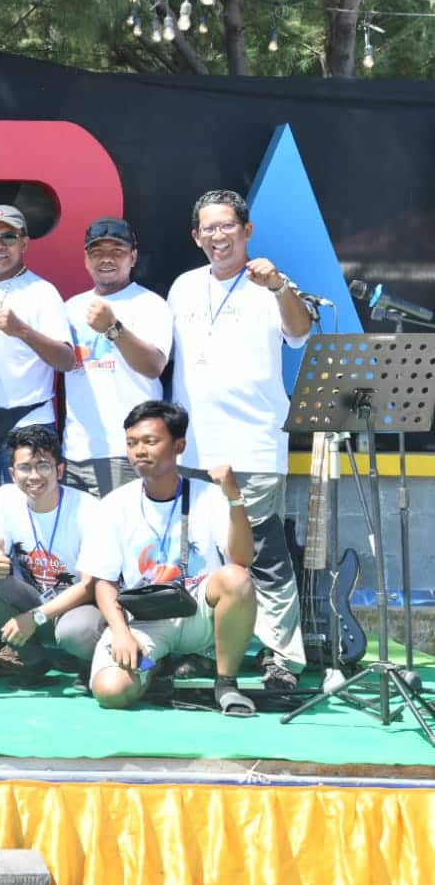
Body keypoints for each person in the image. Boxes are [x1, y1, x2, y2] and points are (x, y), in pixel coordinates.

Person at [167, 188, 311, 690]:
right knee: (205, 555)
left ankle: (280, 658)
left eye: (227, 226)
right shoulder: (183, 287)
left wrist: (278, 288)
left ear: (246, 231)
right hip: (195, 449)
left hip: (253, 444)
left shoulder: (269, 284)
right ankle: (214, 650)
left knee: (264, 555)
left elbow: (301, 332)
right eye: (208, 228)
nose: (218, 236)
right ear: (195, 236)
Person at [78, 400, 258, 716]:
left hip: (198, 614)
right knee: (111, 691)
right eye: (132, 443)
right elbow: (103, 582)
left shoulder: (208, 495)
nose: (139, 451)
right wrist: (121, 633)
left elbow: (242, 559)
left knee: (235, 578)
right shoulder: (114, 504)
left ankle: (226, 682)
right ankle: (154, 667)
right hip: (146, 619)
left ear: (179, 445)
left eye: (150, 441)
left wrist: (233, 496)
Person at [0, 205, 72, 539]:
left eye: (8, 237)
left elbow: (66, 360)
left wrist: (22, 329)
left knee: (33, 522)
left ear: (24, 242)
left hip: (27, 423)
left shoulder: (42, 292)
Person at [0, 425, 105, 683]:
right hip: (34, 602)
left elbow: (90, 585)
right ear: (12, 473)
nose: (34, 476)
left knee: (75, 632)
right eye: (25, 467)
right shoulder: (4, 497)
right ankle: (33, 660)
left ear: (60, 469)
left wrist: (36, 617)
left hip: (78, 607)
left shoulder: (88, 509)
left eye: (43, 466)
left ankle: (86, 661)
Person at [61, 218, 170, 497]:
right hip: (77, 451)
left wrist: (114, 329)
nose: (106, 259)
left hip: (130, 452)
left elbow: (153, 366)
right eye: (97, 252)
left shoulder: (151, 304)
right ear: (86, 259)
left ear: (132, 257)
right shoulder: (70, 308)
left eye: (117, 252)